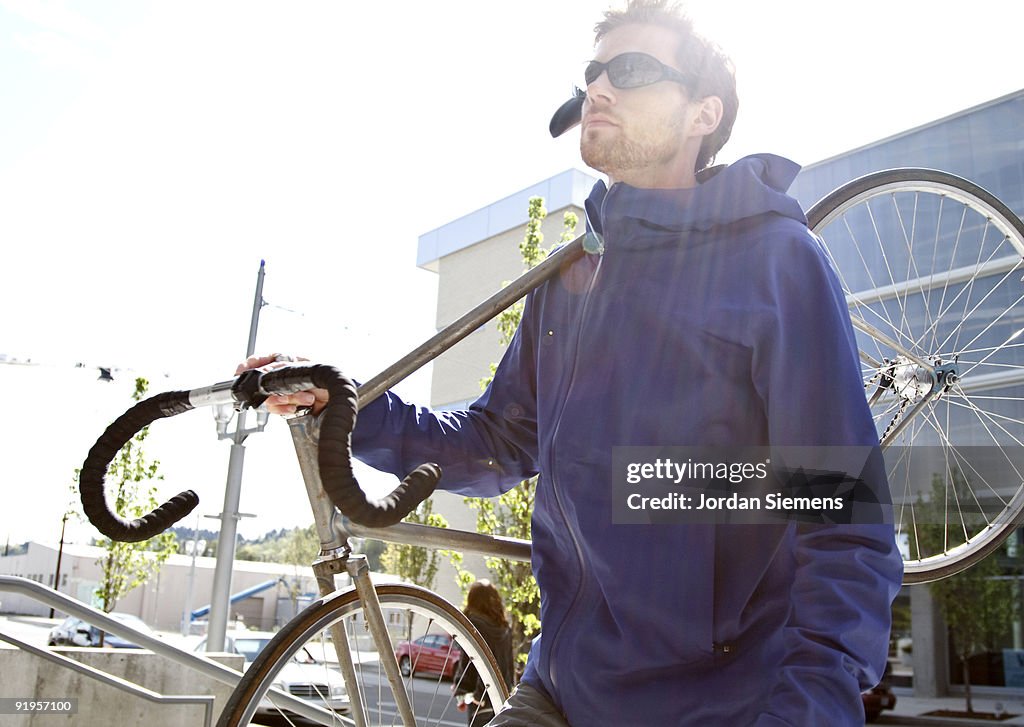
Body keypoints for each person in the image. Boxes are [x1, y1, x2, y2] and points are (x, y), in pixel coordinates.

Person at [241, 1, 903, 723]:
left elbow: (843, 518)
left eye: (633, 69)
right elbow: (499, 440)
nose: (599, 88)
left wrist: (808, 709)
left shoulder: (776, 263)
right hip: (559, 687)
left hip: (719, 704)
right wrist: (349, 407)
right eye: (593, 72)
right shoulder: (572, 274)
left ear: (702, 114)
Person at [455, 580, 515, 727]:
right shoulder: (504, 627)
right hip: (501, 699)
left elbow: (467, 663)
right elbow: (508, 665)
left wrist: (466, 692)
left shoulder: (473, 624)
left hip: (480, 700)